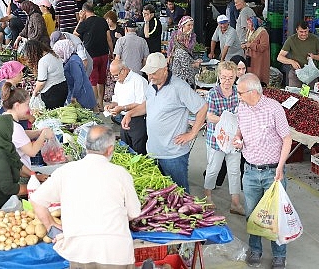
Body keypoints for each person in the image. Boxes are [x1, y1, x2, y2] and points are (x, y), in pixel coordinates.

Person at [30, 125, 141, 269]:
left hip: (80, 251)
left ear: (86, 146)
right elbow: (134, 213)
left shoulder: (65, 171)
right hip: (115, 252)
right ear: (110, 149)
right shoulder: (121, 173)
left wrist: (51, 225)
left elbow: (37, 200)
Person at [121, 53, 207, 191]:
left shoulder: (179, 87)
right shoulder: (152, 84)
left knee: (180, 195)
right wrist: (130, 113)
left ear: (165, 69)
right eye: (148, 73)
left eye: (154, 73)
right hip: (153, 151)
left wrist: (192, 133)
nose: (150, 77)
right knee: (160, 195)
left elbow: (202, 107)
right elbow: (148, 105)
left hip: (173, 155)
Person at [233, 73, 292, 269]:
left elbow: (287, 139)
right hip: (250, 171)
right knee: (252, 214)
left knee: (275, 216)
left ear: (252, 92)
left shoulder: (274, 108)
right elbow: (240, 128)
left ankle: (279, 255)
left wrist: (281, 167)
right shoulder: (242, 107)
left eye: (240, 92)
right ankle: (255, 249)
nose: (238, 96)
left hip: (272, 173)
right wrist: (238, 138)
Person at [0, 86, 54, 208]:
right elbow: (9, 188)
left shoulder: (5, 146)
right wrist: (36, 188)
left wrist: (35, 176)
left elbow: (18, 164)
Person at [203, 61, 246, 215]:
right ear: (219, 76)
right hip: (216, 140)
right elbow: (209, 116)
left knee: (235, 171)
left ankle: (235, 202)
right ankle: (207, 196)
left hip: (234, 138)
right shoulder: (213, 93)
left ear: (235, 77)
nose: (227, 81)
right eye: (224, 77)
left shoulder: (238, 92)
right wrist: (225, 119)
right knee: (213, 169)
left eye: (230, 78)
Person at [0, 83, 53, 180]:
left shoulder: (5, 119)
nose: (29, 109)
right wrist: (43, 135)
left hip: (15, 171)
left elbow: (21, 136)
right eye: (27, 105)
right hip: (18, 176)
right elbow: (32, 151)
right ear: (17, 106)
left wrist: (38, 132)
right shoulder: (15, 127)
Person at [75, 1, 113, 109]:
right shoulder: (103, 21)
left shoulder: (85, 23)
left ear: (84, 11)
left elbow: (74, 35)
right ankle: (100, 103)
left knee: (93, 81)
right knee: (102, 80)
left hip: (91, 56)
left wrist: (81, 20)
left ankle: (94, 106)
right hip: (104, 54)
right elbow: (109, 39)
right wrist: (112, 52)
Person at [106, 59, 149, 155]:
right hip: (123, 119)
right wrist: (111, 106)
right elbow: (116, 100)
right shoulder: (119, 82)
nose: (114, 78)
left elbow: (141, 103)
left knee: (138, 150)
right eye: (112, 76)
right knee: (125, 148)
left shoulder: (138, 81)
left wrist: (122, 108)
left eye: (116, 75)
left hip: (138, 120)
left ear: (124, 70)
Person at [277, 21, 319, 87]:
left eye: (305, 31)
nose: (303, 34)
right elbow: (280, 57)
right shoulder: (291, 40)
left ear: (308, 29)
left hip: (311, 74)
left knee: (311, 95)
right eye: (301, 32)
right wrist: (291, 62)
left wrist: (314, 56)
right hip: (296, 74)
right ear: (296, 30)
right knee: (294, 95)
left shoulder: (315, 39)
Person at [53, 39, 97, 109]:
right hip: (78, 92)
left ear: (64, 50)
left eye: (59, 53)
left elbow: (78, 80)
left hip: (81, 95)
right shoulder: (71, 58)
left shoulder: (73, 62)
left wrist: (74, 96)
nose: (59, 55)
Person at [25, 40, 68, 110]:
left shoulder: (43, 61)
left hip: (52, 93)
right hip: (63, 87)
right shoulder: (53, 54)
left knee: (51, 115)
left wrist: (34, 93)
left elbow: (41, 83)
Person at [168, 16, 201, 85]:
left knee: (188, 77)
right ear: (183, 25)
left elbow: (189, 48)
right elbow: (170, 47)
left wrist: (187, 36)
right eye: (189, 25)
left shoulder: (192, 36)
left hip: (186, 58)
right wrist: (169, 56)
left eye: (192, 25)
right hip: (176, 60)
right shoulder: (175, 34)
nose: (191, 27)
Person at [242, 16, 270, 85]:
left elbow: (263, 47)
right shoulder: (249, 31)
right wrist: (245, 45)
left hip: (259, 60)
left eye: (249, 24)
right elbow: (248, 41)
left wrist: (250, 45)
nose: (247, 26)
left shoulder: (263, 32)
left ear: (254, 24)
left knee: (258, 76)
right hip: (250, 58)